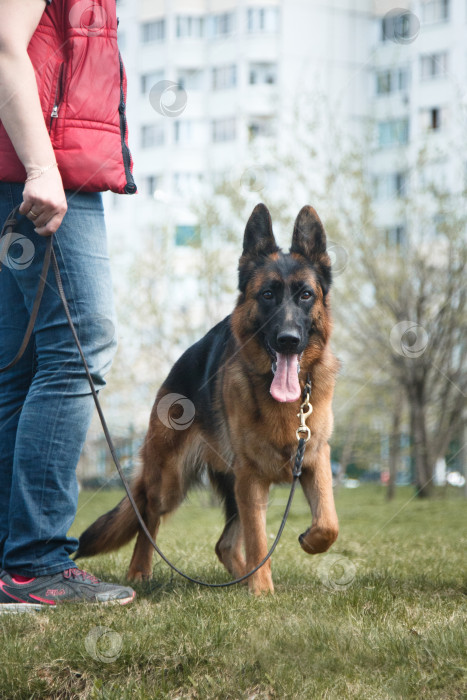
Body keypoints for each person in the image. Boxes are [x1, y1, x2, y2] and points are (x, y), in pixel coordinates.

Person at [0, 0, 137, 609]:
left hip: (35, 170)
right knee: (80, 347)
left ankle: (12, 564)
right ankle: (34, 564)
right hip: (43, 173)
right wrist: (40, 167)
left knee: (21, 366)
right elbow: (4, 42)